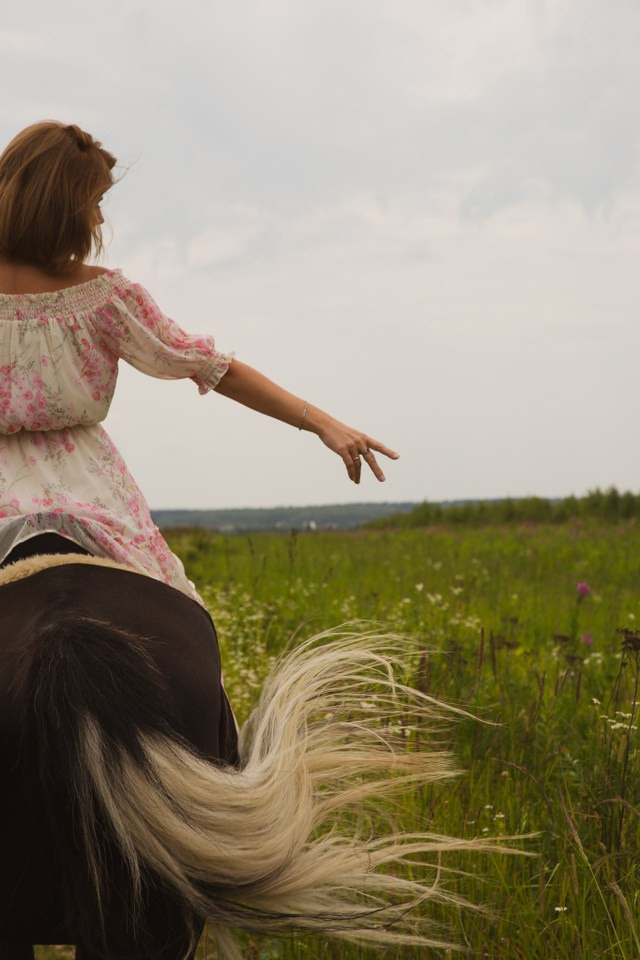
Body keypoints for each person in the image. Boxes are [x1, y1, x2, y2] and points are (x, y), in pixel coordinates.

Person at [0, 121, 399, 602]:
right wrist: (323, 424)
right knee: (178, 610)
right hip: (90, 493)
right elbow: (213, 368)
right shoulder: (106, 297)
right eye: (96, 203)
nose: (100, 220)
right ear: (63, 207)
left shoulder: (106, 297)